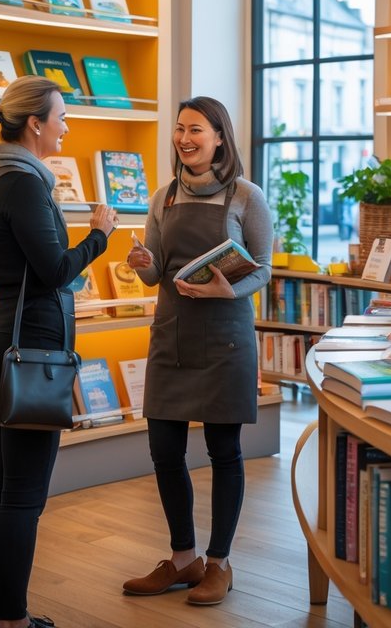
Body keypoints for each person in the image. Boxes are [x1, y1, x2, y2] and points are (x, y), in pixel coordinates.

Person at [0, 76, 118, 628]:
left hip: (6, 343)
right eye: (62, 117)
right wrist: (99, 236)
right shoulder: (24, 184)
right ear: (35, 123)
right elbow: (53, 273)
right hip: (31, 352)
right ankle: (12, 621)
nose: (66, 127)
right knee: (23, 496)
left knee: (1, 490)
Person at [121, 96, 274, 606]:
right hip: (172, 334)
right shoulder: (162, 197)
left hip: (226, 339)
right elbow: (153, 271)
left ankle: (220, 563)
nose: (185, 138)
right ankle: (183, 559)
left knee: (224, 453)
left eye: (196, 130)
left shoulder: (246, 197)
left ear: (219, 139)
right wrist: (141, 261)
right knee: (164, 452)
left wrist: (226, 290)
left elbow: (263, 268)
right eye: (180, 129)